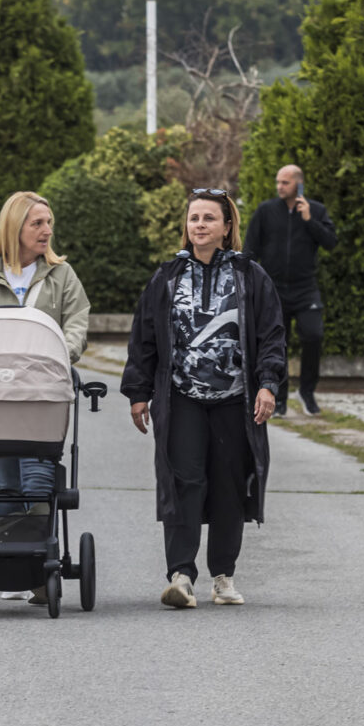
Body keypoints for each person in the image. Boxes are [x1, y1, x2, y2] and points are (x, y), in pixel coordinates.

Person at [121, 188, 286, 609]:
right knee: (184, 482)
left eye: (209, 218)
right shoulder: (167, 276)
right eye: (194, 218)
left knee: (229, 488)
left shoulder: (251, 276)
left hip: (235, 400)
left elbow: (271, 336)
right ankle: (181, 576)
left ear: (227, 226)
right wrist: (139, 393)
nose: (200, 225)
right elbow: (143, 338)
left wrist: (268, 383)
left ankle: (223, 578)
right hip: (181, 398)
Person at [0, 191, 90, 603]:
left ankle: (34, 566)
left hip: (42, 390)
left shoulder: (61, 275)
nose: (47, 231)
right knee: (5, 479)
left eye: (49, 223)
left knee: (38, 476)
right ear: (15, 228)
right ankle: (5, 561)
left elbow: (77, 322)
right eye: (37, 223)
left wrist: (59, 354)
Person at [243, 164, 337, 416]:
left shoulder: (315, 210)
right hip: (273, 289)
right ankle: (280, 399)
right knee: (278, 344)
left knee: (313, 334)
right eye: (278, 182)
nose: (279, 187)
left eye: (284, 182)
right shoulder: (266, 211)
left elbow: (330, 242)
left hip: (305, 288)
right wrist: (246, 280)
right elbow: (250, 248)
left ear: (298, 184)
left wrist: (310, 221)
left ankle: (306, 392)